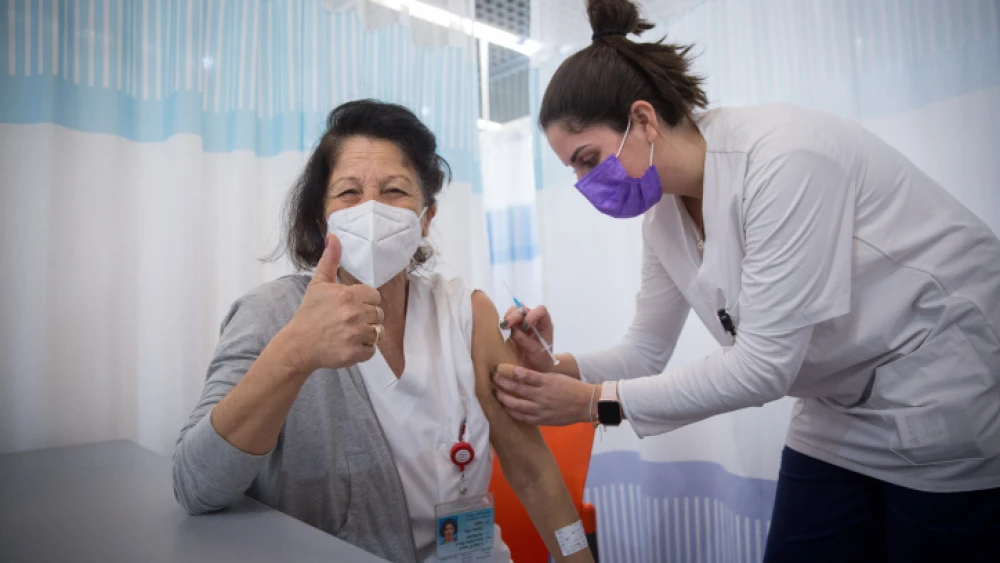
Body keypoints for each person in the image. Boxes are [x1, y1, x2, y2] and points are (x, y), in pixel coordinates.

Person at [491, 0, 1000, 561]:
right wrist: (555, 368)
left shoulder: (783, 157)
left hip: (935, 382)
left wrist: (593, 404)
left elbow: (763, 367)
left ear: (643, 119)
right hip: (834, 402)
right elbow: (645, 350)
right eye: (574, 170)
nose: (585, 183)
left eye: (589, 160)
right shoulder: (663, 217)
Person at [172, 100, 594, 563]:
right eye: (348, 193)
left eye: (394, 190)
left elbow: (532, 471)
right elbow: (197, 486)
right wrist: (293, 354)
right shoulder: (269, 315)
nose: (371, 209)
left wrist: (578, 556)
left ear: (426, 217)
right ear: (323, 219)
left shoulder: (465, 313)